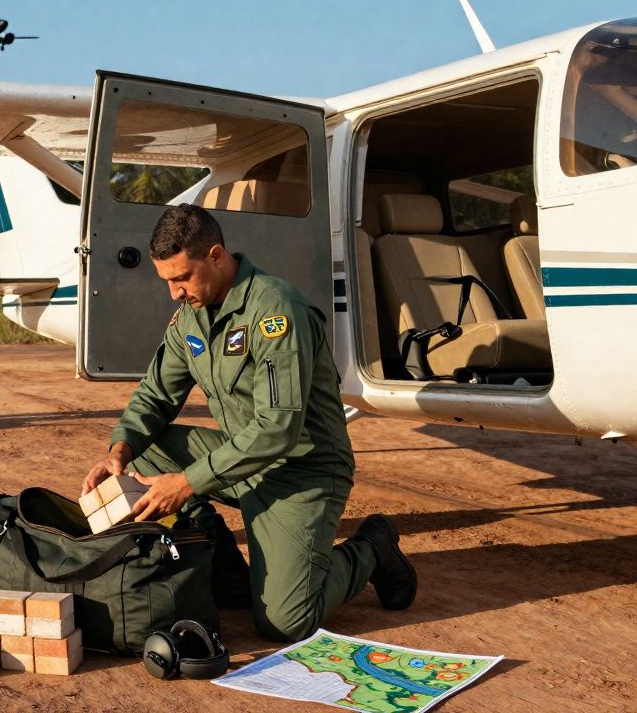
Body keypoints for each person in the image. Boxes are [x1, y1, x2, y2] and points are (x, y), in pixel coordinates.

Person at [80, 203, 417, 642]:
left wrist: (186, 483)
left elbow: (278, 428)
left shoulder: (275, 311)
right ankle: (223, 570)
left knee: (285, 621)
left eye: (181, 279)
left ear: (217, 256)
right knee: (148, 447)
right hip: (242, 462)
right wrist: (119, 451)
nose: (174, 294)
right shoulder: (192, 318)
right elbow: (157, 394)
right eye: (167, 282)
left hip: (302, 471)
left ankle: (372, 548)